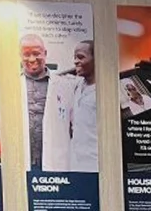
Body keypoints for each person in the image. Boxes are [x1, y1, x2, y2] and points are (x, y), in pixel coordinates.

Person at [43, 40, 98, 173]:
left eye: (81, 57)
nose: (75, 61)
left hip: (95, 163)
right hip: (75, 163)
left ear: (96, 59)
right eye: (75, 57)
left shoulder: (105, 91)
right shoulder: (77, 85)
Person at [20, 33, 50, 170]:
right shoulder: (11, 83)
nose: (32, 59)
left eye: (36, 53)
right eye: (26, 54)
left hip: (51, 155)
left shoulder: (63, 84)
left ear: (45, 53)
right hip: (21, 155)